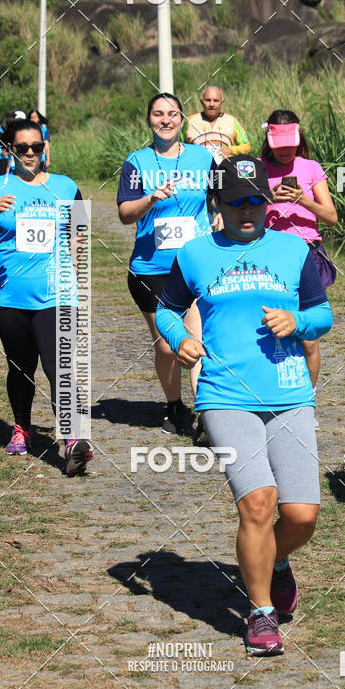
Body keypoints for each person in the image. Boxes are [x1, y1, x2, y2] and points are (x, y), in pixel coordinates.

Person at [156, 156, 332, 656]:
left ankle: (274, 562)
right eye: (235, 201)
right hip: (225, 396)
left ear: (268, 201)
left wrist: (296, 321)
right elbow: (167, 309)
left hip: (289, 393)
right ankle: (260, 614)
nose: (247, 210)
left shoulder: (294, 250)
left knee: (301, 515)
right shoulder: (194, 254)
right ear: (217, 204)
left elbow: (323, 314)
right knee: (258, 503)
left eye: (256, 199)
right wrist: (178, 338)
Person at [0, 119, 93, 475]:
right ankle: (21, 427)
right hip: (9, 295)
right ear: (10, 151)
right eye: (22, 148)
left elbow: (79, 231)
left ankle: (74, 439)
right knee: (21, 366)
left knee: (58, 364)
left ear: (44, 148)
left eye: (35, 147)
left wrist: (73, 269)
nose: (29, 154)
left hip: (57, 293)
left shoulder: (66, 186)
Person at [117, 92, 215, 435]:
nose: (165, 119)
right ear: (149, 120)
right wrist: (149, 198)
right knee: (165, 344)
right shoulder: (136, 161)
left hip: (194, 266)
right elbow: (124, 215)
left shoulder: (204, 158)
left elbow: (221, 199)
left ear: (183, 119)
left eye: (172, 113)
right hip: (150, 269)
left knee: (197, 340)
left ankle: (205, 414)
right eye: (158, 113)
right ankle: (174, 405)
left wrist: (219, 221)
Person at [261, 110, 338, 399]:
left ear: (299, 139)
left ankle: (307, 400)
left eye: (290, 145)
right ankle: (269, 396)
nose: (285, 151)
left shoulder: (311, 168)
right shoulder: (257, 167)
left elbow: (331, 216)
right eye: (279, 146)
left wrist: (303, 200)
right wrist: (267, 199)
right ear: (269, 141)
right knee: (269, 331)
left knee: (308, 339)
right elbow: (241, 210)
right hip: (268, 256)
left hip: (307, 256)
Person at [185, 86, 251, 163]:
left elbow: (247, 146)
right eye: (208, 100)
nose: (212, 104)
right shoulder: (189, 121)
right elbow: (177, 145)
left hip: (225, 170)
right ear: (201, 102)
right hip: (198, 171)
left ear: (222, 103)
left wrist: (231, 150)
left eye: (216, 101)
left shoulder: (231, 121)